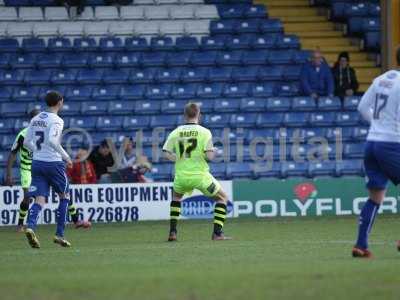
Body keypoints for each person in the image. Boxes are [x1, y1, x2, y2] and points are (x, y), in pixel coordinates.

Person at [5, 109, 90, 232]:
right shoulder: (23, 134)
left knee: (63, 192)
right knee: (28, 196)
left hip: (41, 165)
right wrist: (9, 175)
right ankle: (20, 224)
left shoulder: (45, 132)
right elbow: (13, 153)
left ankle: (76, 220)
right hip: (27, 169)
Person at [352, 47, 400, 258]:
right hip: (391, 144)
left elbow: (362, 107)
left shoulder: (381, 79)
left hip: (372, 143)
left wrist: (378, 125)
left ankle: (361, 245)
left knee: (375, 196)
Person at [162, 102, 231, 241]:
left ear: (184, 115)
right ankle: (217, 233)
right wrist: (214, 151)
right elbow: (210, 157)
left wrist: (180, 159)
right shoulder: (205, 132)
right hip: (200, 176)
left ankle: (172, 232)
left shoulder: (176, 132)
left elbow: (166, 153)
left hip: (181, 176)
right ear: (199, 114)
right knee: (222, 198)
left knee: (176, 198)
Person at [23, 91, 74, 248]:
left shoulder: (36, 118)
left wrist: (38, 151)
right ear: (60, 102)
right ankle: (59, 235)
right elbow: (53, 141)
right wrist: (66, 157)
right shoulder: (57, 120)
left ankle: (30, 226)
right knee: (64, 196)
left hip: (37, 163)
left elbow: (26, 142)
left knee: (40, 199)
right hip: (54, 164)